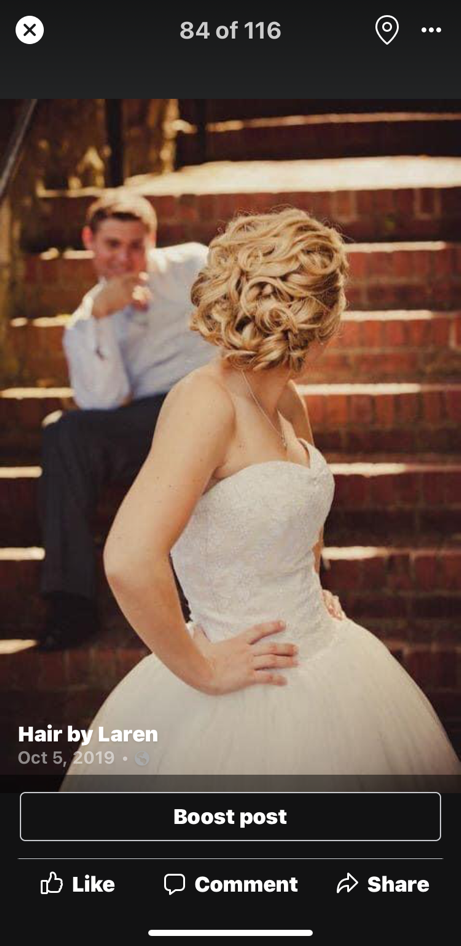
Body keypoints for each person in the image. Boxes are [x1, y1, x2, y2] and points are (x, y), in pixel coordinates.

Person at [61, 208, 461, 778]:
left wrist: (306, 585)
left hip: (327, 655)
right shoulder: (206, 401)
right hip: (243, 681)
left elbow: (297, 510)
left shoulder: (285, 397)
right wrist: (202, 669)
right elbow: (128, 559)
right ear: (324, 316)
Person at [38, 190, 217, 651]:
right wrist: (101, 318)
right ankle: (70, 605)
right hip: (144, 423)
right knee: (64, 430)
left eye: (135, 244)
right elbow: (104, 400)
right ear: (89, 242)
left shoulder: (193, 265)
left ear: (152, 240)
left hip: (209, 402)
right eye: (112, 244)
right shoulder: (84, 321)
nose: (123, 257)